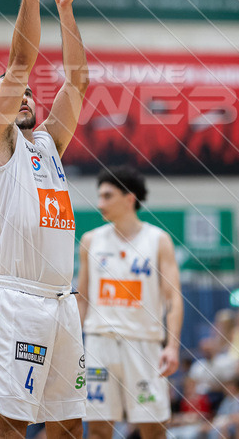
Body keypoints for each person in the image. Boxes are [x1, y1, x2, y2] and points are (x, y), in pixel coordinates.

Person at [0, 0, 90, 438]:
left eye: (25, 94)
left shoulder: (48, 144)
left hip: (63, 302)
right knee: (11, 424)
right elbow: (20, 66)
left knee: (69, 424)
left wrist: (65, 9)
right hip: (17, 301)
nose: (22, 96)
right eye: (9, 93)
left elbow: (78, 82)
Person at [77, 167, 183, 439]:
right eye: (99, 196)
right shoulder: (91, 240)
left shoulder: (158, 240)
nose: (100, 203)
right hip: (100, 342)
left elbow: (173, 298)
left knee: (154, 430)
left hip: (144, 343)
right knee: (98, 430)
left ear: (129, 198)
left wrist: (172, 346)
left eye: (107, 196)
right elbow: (82, 298)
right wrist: (73, 344)